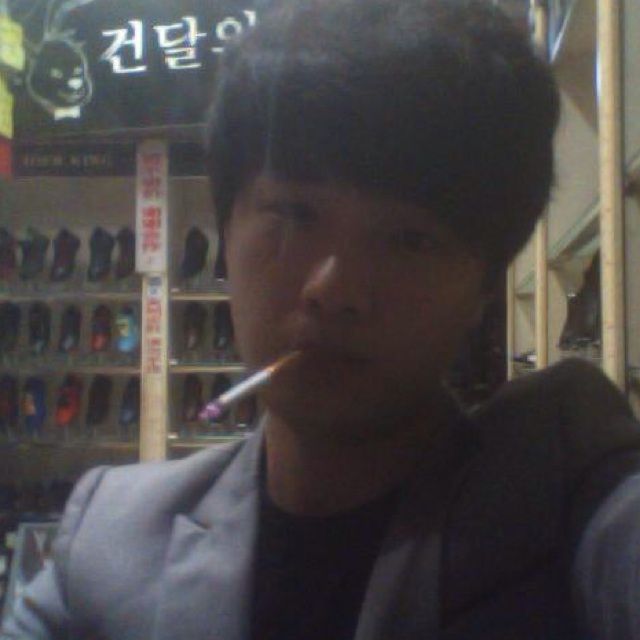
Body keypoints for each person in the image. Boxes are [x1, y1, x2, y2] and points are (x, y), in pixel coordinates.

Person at [3, 0, 640, 638]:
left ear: (483, 285)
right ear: (227, 232)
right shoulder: (111, 537)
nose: (333, 290)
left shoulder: (573, 507)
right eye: (294, 215)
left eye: (410, 239)